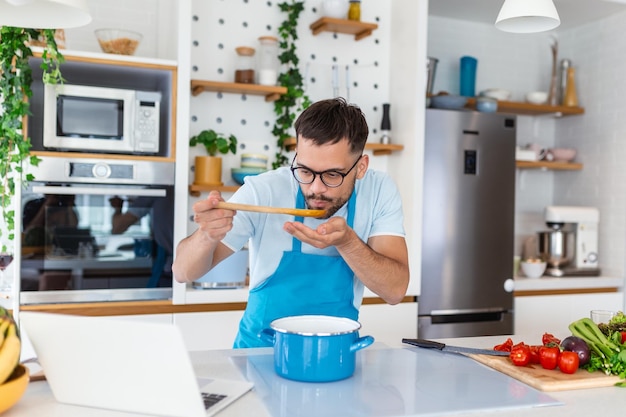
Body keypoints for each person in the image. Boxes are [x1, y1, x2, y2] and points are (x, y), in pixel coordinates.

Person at [173, 98, 410, 348]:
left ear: (360, 167)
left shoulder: (379, 191)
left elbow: (394, 291)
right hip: (259, 353)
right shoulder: (263, 190)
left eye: (332, 175)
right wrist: (206, 236)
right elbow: (182, 272)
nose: (315, 189)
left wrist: (348, 243)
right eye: (305, 171)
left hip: (334, 354)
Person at [110, 193, 174, 288]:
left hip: (169, 270)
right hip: (184, 267)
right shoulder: (168, 190)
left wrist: (117, 207)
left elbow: (117, 228)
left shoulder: (154, 191)